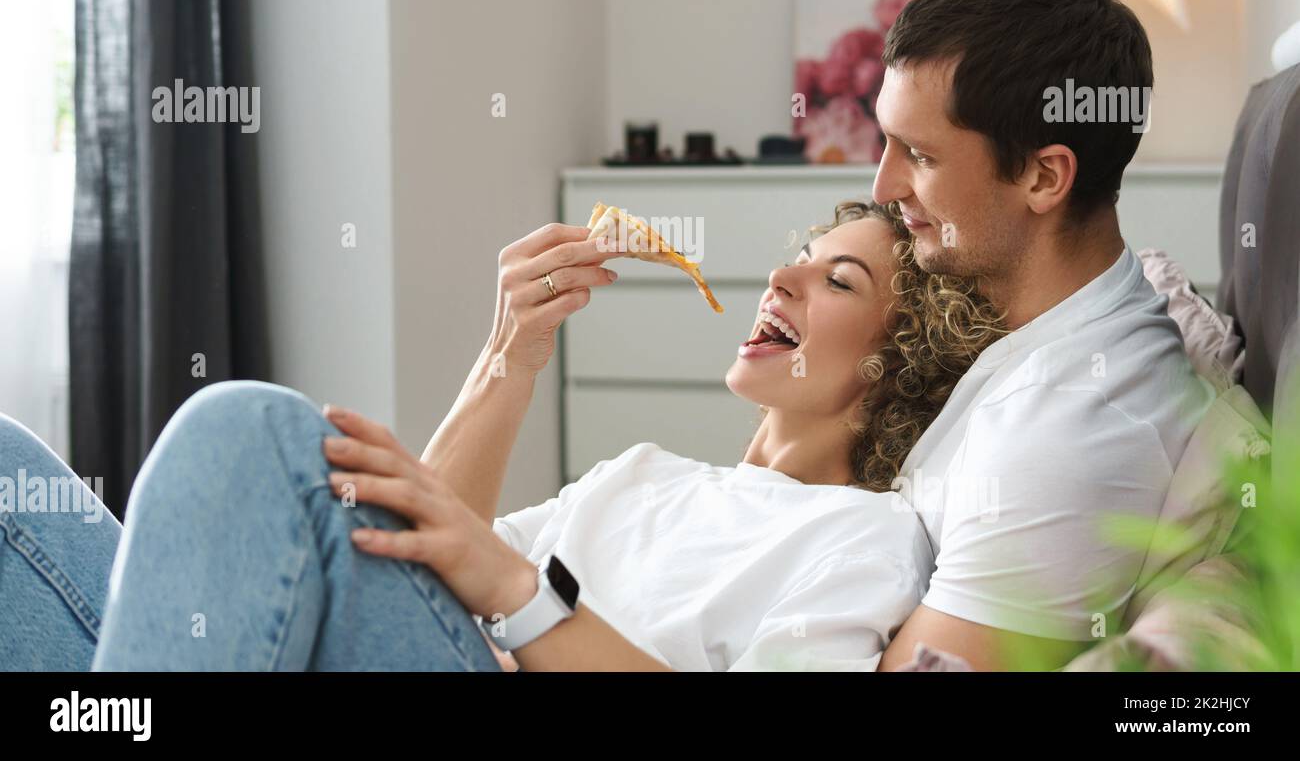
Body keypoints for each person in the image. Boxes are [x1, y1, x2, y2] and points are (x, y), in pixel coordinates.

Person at [1, 202, 1004, 671]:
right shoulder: (643, 476)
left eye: (838, 280)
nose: (781, 279)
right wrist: (508, 352)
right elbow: (402, 563)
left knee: (250, 426)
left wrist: (521, 593)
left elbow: (479, 578)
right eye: (798, 258)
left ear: (897, 361)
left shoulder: (865, 535)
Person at [869, 0, 1216, 670]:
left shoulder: (1068, 436)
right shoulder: (1048, 319)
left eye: (919, 155)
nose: (883, 185)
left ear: (1043, 175)